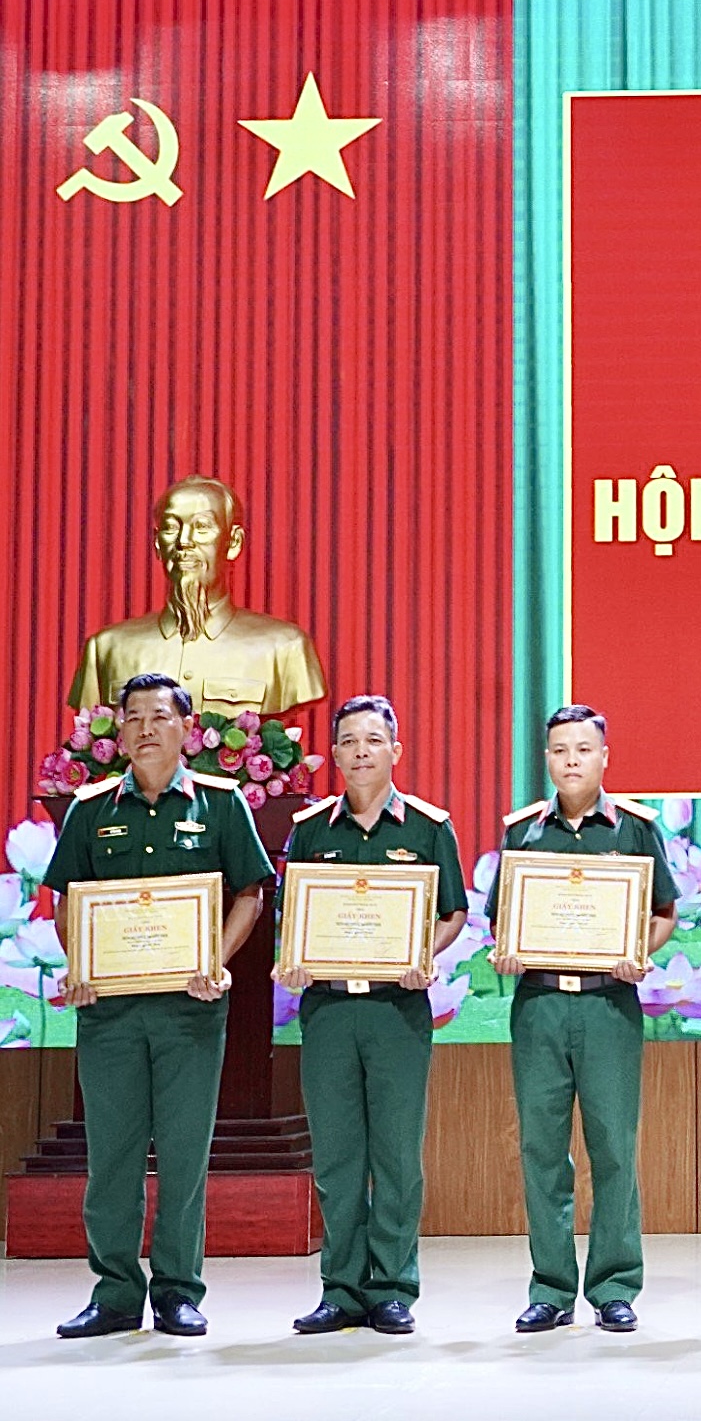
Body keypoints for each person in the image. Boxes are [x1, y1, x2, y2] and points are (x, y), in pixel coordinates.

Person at [42, 672, 274, 1338]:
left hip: (188, 1011)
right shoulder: (91, 809)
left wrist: (215, 959)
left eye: (160, 716)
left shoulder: (222, 804)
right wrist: (81, 966)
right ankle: (115, 1293)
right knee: (112, 1157)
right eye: (134, 717)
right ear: (119, 731)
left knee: (182, 1155)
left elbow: (251, 893)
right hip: (110, 1013)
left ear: (186, 729)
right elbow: (67, 900)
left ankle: (178, 1291)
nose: (146, 728)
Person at [274, 695, 468, 1336]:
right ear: (335, 753)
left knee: (396, 1157)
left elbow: (453, 912)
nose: (362, 751)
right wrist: (294, 958)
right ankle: (340, 1289)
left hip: (396, 1010)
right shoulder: (310, 830)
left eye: (373, 740)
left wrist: (422, 952)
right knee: (336, 1156)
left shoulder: (428, 828)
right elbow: (292, 915)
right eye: (350, 741)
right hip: (328, 1009)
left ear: (395, 750)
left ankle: (392, 1288)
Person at [489, 704, 677, 1334]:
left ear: (604, 757)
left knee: (614, 1149)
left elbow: (664, 913)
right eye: (560, 750)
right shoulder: (523, 833)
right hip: (540, 1005)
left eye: (583, 749)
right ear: (547, 758)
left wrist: (638, 951)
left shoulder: (635, 829)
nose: (571, 761)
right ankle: (550, 1287)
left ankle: (614, 1286)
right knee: (542, 1149)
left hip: (608, 1005)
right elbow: (501, 921)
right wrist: (507, 949)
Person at [68, 475, 326, 716]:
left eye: (202, 527)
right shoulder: (107, 648)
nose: (184, 541)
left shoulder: (284, 647)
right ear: (157, 543)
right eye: (171, 527)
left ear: (233, 542)